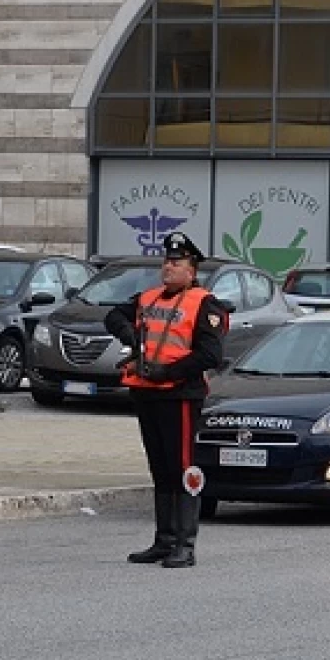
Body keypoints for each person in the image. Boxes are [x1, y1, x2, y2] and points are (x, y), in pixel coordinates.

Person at [104, 232, 228, 569]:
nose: (168, 268)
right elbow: (113, 315)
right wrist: (130, 336)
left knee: (183, 466)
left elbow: (210, 355)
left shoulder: (205, 304)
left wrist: (167, 371)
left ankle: (185, 544)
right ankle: (163, 540)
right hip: (147, 391)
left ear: (192, 270)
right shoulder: (149, 298)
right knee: (160, 467)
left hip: (181, 395)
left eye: (176, 263)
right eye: (166, 262)